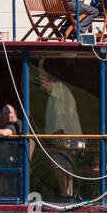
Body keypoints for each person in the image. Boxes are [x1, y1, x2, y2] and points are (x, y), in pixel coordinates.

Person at [34, 61, 80, 198]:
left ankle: (65, 193)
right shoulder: (65, 91)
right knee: (65, 163)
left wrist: (40, 65)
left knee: (59, 163)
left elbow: (44, 84)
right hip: (68, 134)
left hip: (64, 134)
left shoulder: (60, 87)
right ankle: (68, 193)